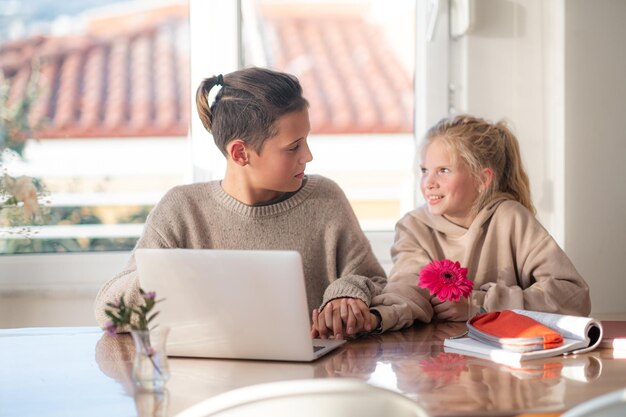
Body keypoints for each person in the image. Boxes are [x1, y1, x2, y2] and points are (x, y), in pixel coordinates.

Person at [94, 67, 417, 339]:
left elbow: (377, 284)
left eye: (306, 141)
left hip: (313, 378)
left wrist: (347, 293)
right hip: (208, 381)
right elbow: (109, 313)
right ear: (240, 153)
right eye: (293, 147)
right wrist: (176, 278)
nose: (308, 156)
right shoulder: (183, 209)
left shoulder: (324, 199)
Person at [388, 114, 591, 322]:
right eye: (424, 170)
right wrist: (378, 317)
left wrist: (481, 304)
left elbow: (574, 296)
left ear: (482, 179)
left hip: (505, 349)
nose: (428, 182)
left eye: (443, 170)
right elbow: (406, 291)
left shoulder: (511, 219)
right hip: (435, 350)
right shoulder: (412, 227)